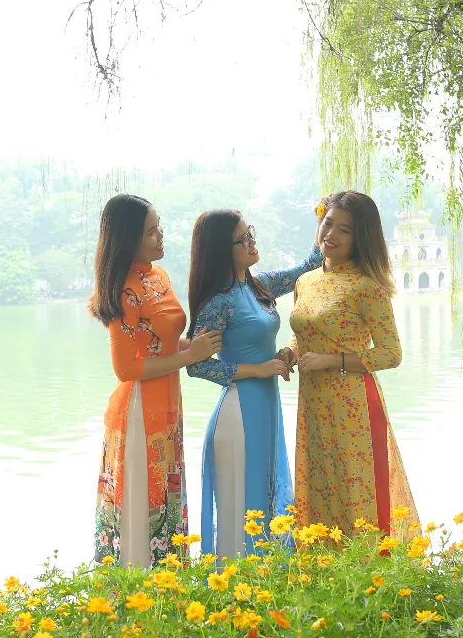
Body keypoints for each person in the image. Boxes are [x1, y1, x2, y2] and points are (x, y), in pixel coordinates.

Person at [87, 194, 222, 567]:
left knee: (165, 494)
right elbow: (127, 368)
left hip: (167, 406)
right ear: (128, 239)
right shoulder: (123, 290)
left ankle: (166, 588)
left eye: (159, 225)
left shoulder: (157, 276)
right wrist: (188, 356)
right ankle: (134, 590)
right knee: (142, 500)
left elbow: (158, 342)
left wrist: (192, 346)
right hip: (138, 411)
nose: (160, 235)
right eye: (150, 231)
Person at [185, 210, 323, 558]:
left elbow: (309, 265)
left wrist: (322, 220)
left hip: (264, 408)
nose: (252, 242)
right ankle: (237, 589)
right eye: (243, 238)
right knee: (245, 507)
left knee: (265, 497)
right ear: (221, 249)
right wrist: (258, 369)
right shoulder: (219, 302)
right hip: (239, 411)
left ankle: (265, 586)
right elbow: (197, 366)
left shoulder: (260, 285)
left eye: (251, 233)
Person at [286, 190, 419, 540]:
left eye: (344, 230)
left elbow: (391, 353)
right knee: (320, 485)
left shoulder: (366, 288)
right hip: (313, 404)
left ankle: (367, 574)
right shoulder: (306, 281)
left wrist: (331, 361)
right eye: (328, 224)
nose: (330, 235)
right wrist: (288, 352)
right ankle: (322, 574)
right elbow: (305, 333)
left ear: (360, 238)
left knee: (355, 491)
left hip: (352, 405)